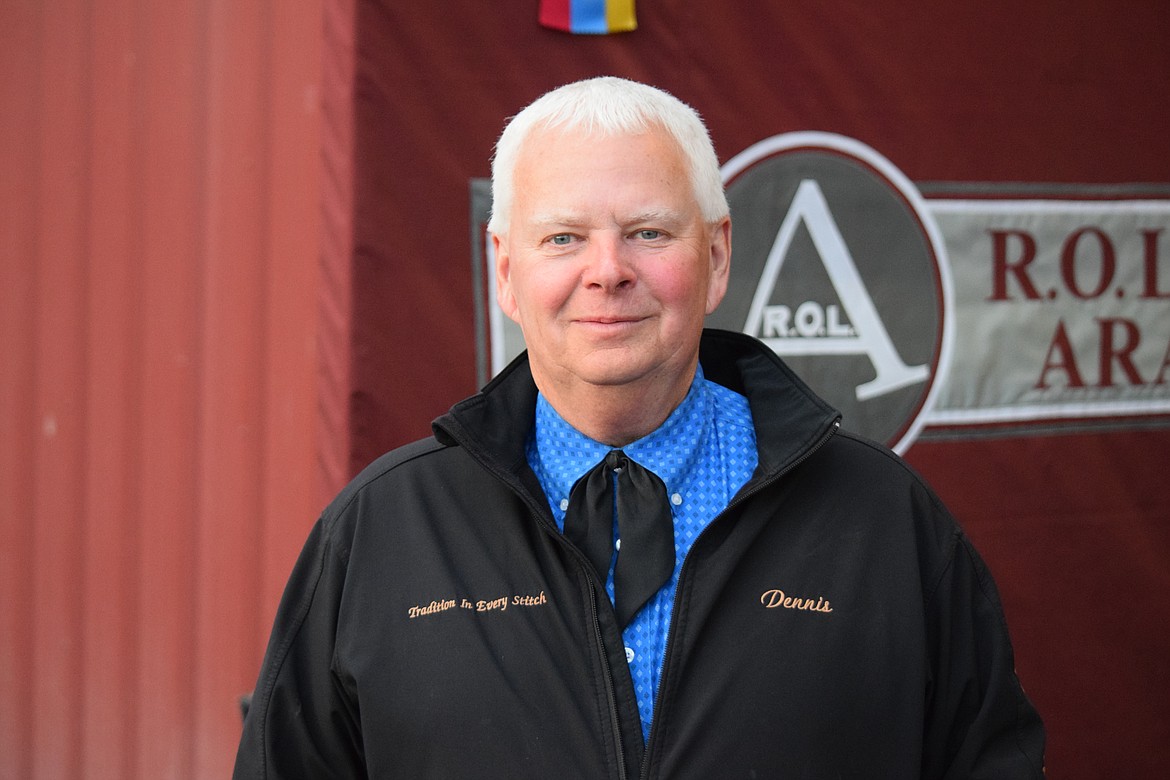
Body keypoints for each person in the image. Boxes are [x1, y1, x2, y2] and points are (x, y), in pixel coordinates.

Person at [234, 76, 1045, 778]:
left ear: (718, 257)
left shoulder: (886, 523)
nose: (608, 269)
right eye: (563, 238)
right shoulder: (379, 533)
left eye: (649, 232)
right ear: (507, 272)